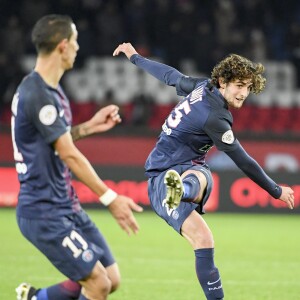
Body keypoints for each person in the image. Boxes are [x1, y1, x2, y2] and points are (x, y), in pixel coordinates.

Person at [113, 42, 295, 300]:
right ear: (223, 81)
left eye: (248, 87)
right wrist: (276, 190)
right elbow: (243, 160)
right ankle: (180, 189)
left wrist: (135, 57)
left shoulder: (203, 88)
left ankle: (180, 190)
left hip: (171, 170)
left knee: (204, 239)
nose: (243, 93)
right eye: (239, 86)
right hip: (165, 177)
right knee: (201, 176)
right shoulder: (214, 117)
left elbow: (170, 76)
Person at [13, 16, 143, 300]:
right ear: (62, 46)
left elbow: (55, 140)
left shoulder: (49, 90)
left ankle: (35, 298)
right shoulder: (38, 94)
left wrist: (89, 127)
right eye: (74, 41)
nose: (77, 47)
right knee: (98, 285)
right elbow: (68, 153)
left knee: (110, 278)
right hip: (44, 211)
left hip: (65, 205)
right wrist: (111, 198)